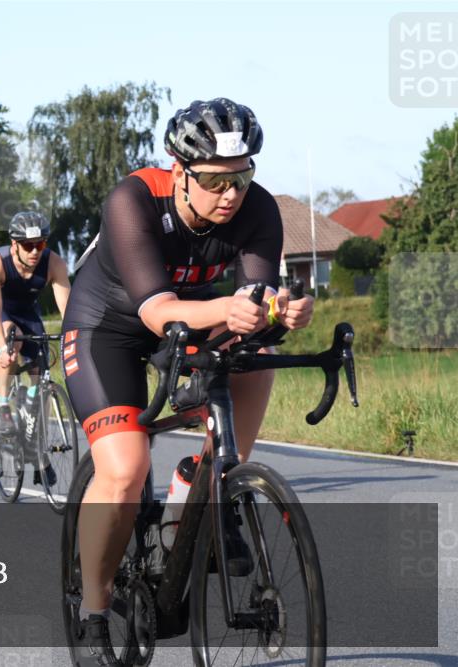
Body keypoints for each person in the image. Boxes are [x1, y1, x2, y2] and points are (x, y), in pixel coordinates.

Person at [60, 98, 315, 665]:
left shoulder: (259, 210)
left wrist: (286, 311)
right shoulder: (133, 200)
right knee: (124, 471)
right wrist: (233, 306)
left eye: (242, 178)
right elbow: (156, 311)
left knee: (260, 347)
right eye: (214, 182)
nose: (230, 195)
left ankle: (209, 479)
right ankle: (95, 608)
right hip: (111, 327)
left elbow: (255, 300)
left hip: (196, 316)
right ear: (178, 171)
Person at [0, 211, 72, 485]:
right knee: (14, 339)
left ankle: (37, 452)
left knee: (41, 373)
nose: (35, 252)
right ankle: (2, 406)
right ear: (14, 244)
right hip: (0, 314)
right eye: (28, 245)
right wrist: (2, 348)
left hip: (28, 314)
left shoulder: (53, 263)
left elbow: (69, 310)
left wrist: (75, 338)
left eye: (40, 245)